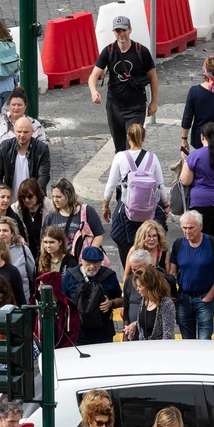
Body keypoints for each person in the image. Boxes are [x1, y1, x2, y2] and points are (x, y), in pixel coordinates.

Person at [87, 16, 159, 153]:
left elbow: (153, 77)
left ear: (130, 30)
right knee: (120, 149)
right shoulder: (109, 51)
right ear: (114, 32)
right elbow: (93, 76)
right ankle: (122, 174)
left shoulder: (141, 51)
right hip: (114, 108)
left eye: (124, 30)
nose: (121, 34)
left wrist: (154, 102)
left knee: (132, 147)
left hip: (136, 107)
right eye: (118, 31)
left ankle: (132, 174)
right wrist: (93, 92)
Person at [103, 122, 167, 256]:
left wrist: (105, 206)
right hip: (150, 210)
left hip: (128, 209)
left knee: (124, 241)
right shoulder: (152, 157)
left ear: (128, 137)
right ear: (144, 138)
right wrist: (166, 206)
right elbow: (161, 185)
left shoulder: (120, 157)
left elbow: (110, 185)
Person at [168, 211, 214, 340]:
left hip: (204, 299)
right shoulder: (178, 244)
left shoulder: (213, 243)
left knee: (204, 339)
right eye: (184, 228)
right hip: (183, 299)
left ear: (200, 226)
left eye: (191, 228)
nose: (187, 231)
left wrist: (210, 295)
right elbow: (172, 273)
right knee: (187, 340)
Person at [62, 245, 122, 345]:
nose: (92, 266)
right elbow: (62, 300)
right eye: (88, 262)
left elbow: (121, 300)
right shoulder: (70, 275)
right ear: (81, 260)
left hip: (103, 332)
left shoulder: (109, 275)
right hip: (77, 332)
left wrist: (111, 303)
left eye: (96, 263)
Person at [0, 116, 50, 197]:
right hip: (11, 200)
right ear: (14, 131)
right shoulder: (5, 147)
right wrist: (1, 193)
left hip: (33, 199)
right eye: (19, 132)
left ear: (32, 132)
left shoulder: (42, 148)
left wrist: (33, 193)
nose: (22, 135)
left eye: (26, 132)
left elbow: (44, 176)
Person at [45, 178, 105, 257]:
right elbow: (44, 240)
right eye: (53, 196)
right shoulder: (51, 217)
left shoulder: (87, 211)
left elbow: (98, 234)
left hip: (82, 261)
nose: (55, 200)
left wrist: (90, 254)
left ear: (68, 196)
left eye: (58, 197)